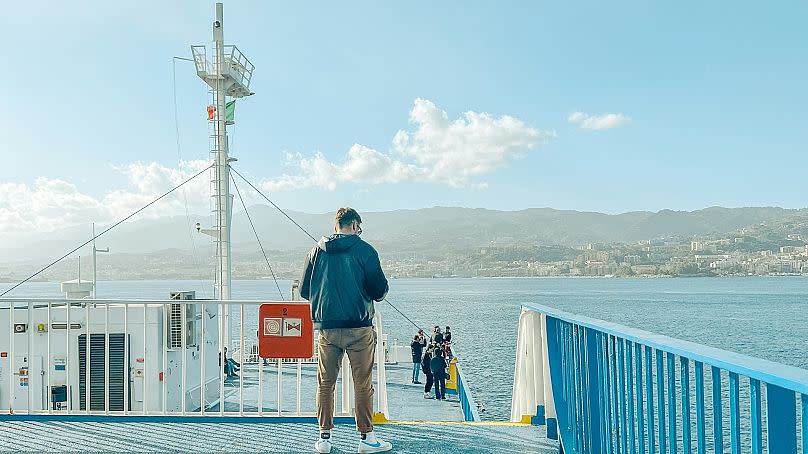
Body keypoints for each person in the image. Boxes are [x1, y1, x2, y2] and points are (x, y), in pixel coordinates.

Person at [300, 207, 392, 454]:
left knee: (325, 383)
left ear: (336, 226)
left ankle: (324, 439)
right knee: (362, 384)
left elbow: (303, 291)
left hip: (327, 329)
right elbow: (379, 290)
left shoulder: (315, 252)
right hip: (359, 328)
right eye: (359, 228)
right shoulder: (365, 250)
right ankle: (366, 438)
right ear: (354, 225)